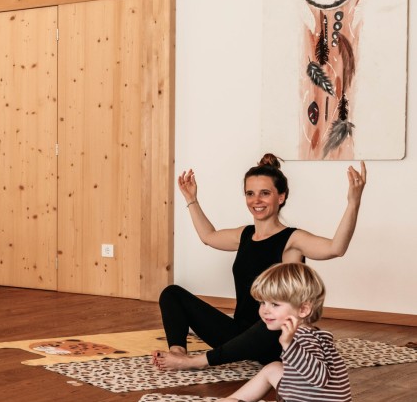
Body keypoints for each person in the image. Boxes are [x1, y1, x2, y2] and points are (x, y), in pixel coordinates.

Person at [153, 153, 365, 370]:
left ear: (280, 197)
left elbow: (335, 248)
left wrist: (353, 202)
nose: (256, 200)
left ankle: (196, 362)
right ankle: (177, 352)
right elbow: (209, 236)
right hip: (239, 335)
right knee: (172, 294)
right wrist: (191, 200)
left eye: (265, 193)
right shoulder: (244, 235)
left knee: (271, 324)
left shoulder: (292, 240)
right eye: (250, 193)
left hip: (273, 339)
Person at [177, 263, 351, 402]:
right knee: (273, 369)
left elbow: (319, 378)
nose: (265, 310)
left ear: (303, 310)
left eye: (274, 304)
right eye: (263, 303)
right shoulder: (314, 334)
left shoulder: (301, 340)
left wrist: (288, 345)